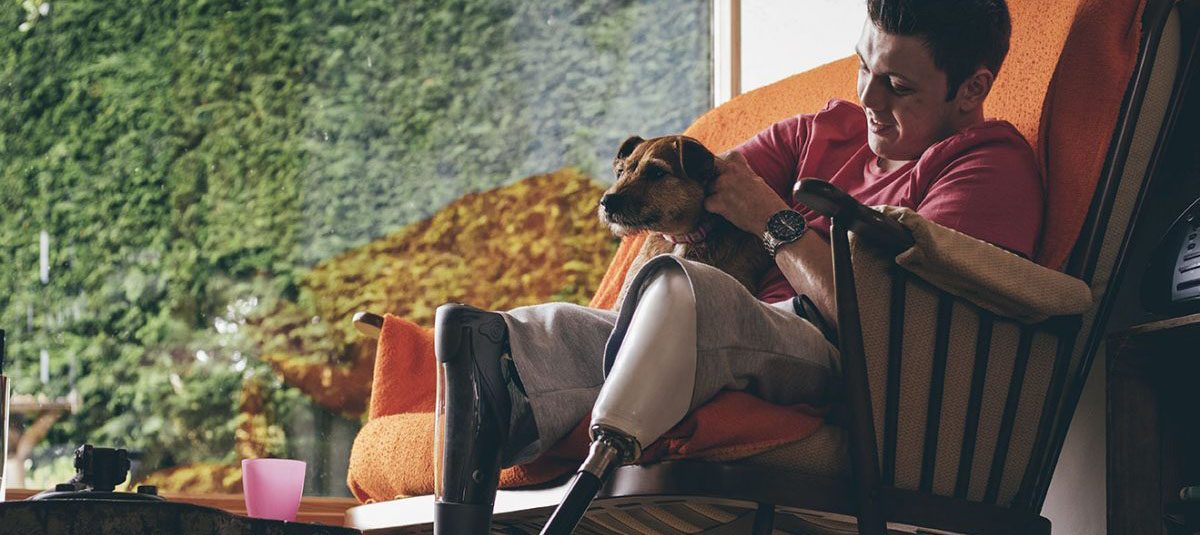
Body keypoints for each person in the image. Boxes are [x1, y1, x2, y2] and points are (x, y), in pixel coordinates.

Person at [432, 0, 1043, 529]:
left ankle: (574, 450)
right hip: (737, 327)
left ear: (971, 89)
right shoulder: (822, 132)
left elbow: (901, 333)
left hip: (849, 365)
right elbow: (690, 198)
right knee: (522, 334)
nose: (868, 98)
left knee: (696, 297)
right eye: (864, 66)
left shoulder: (985, 166)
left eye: (899, 87)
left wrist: (776, 224)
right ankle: (498, 396)